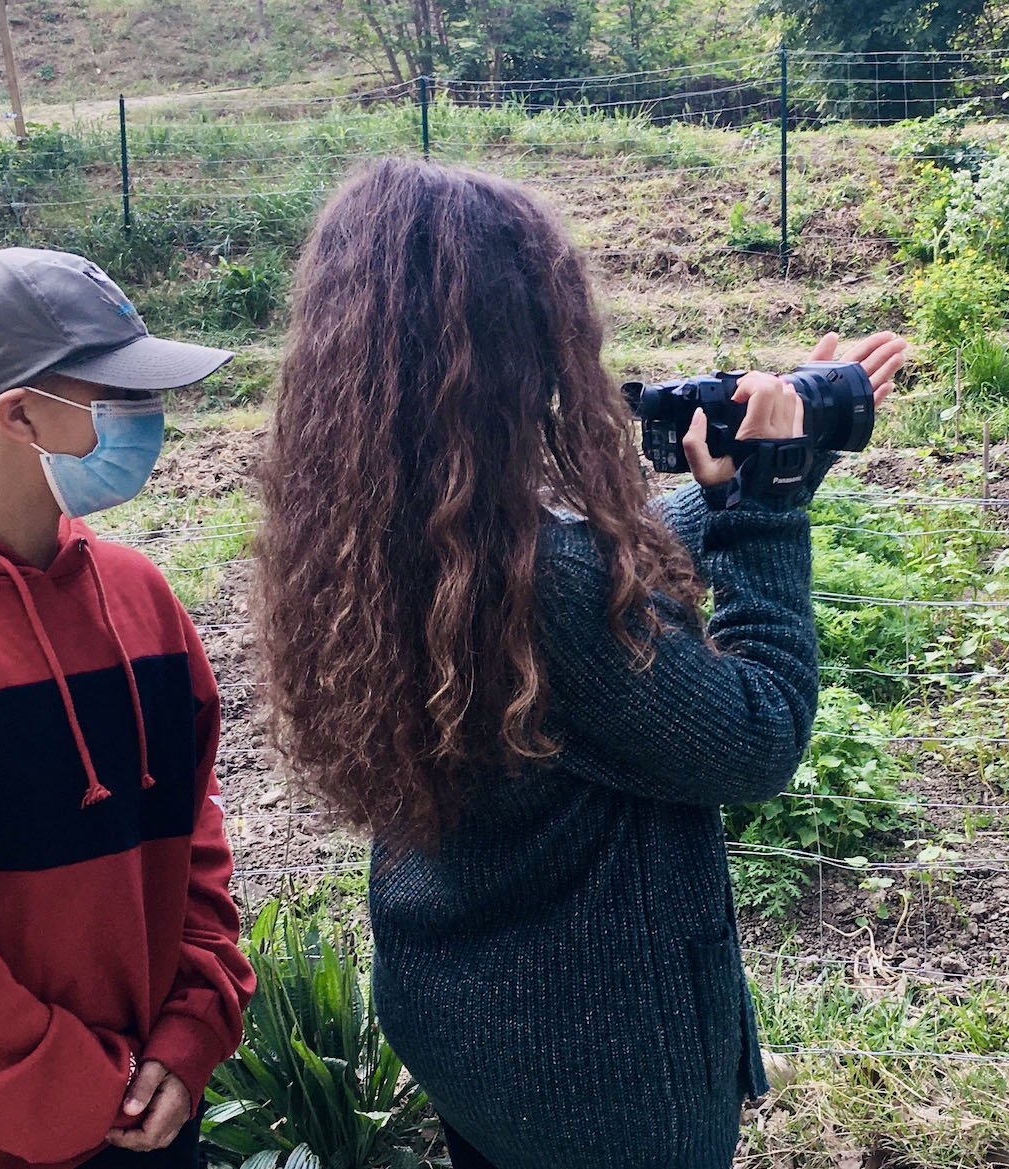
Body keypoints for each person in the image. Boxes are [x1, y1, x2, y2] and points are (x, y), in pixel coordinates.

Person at [255, 158, 906, 1169]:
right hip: (603, 1085)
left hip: (471, 1025)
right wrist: (769, 513)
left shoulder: (377, 528)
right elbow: (757, 733)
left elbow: (603, 567)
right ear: (515, 347)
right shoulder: (540, 579)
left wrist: (763, 471)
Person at [0, 247, 256, 1169]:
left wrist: (192, 1028)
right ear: (18, 411)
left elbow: (193, 838)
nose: (148, 419)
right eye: (116, 395)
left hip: (149, 1116)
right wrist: (81, 1095)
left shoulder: (141, 596)